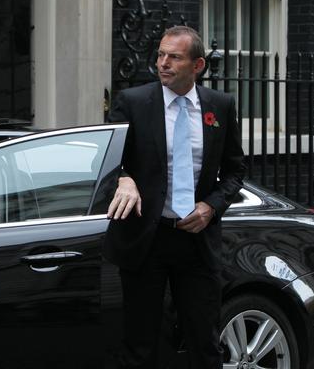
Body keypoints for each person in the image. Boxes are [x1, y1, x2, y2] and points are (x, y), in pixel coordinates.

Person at [104, 26, 245, 368]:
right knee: (140, 344)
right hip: (146, 238)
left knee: (205, 342)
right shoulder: (133, 103)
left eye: (174, 57)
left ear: (197, 65)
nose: (163, 63)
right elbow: (106, 163)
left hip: (196, 240)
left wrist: (211, 206)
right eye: (160, 55)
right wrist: (123, 178)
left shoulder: (220, 106)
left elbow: (235, 171)